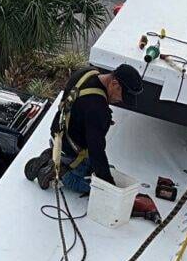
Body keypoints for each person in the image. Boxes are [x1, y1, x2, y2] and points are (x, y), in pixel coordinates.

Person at [24, 64, 143, 195]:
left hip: (58, 133)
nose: (119, 101)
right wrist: (109, 186)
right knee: (97, 188)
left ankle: (54, 157)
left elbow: (79, 108)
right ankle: (60, 173)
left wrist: (96, 122)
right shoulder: (97, 109)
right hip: (72, 152)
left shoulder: (87, 73)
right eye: (121, 97)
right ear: (114, 84)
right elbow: (96, 152)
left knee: (108, 169)